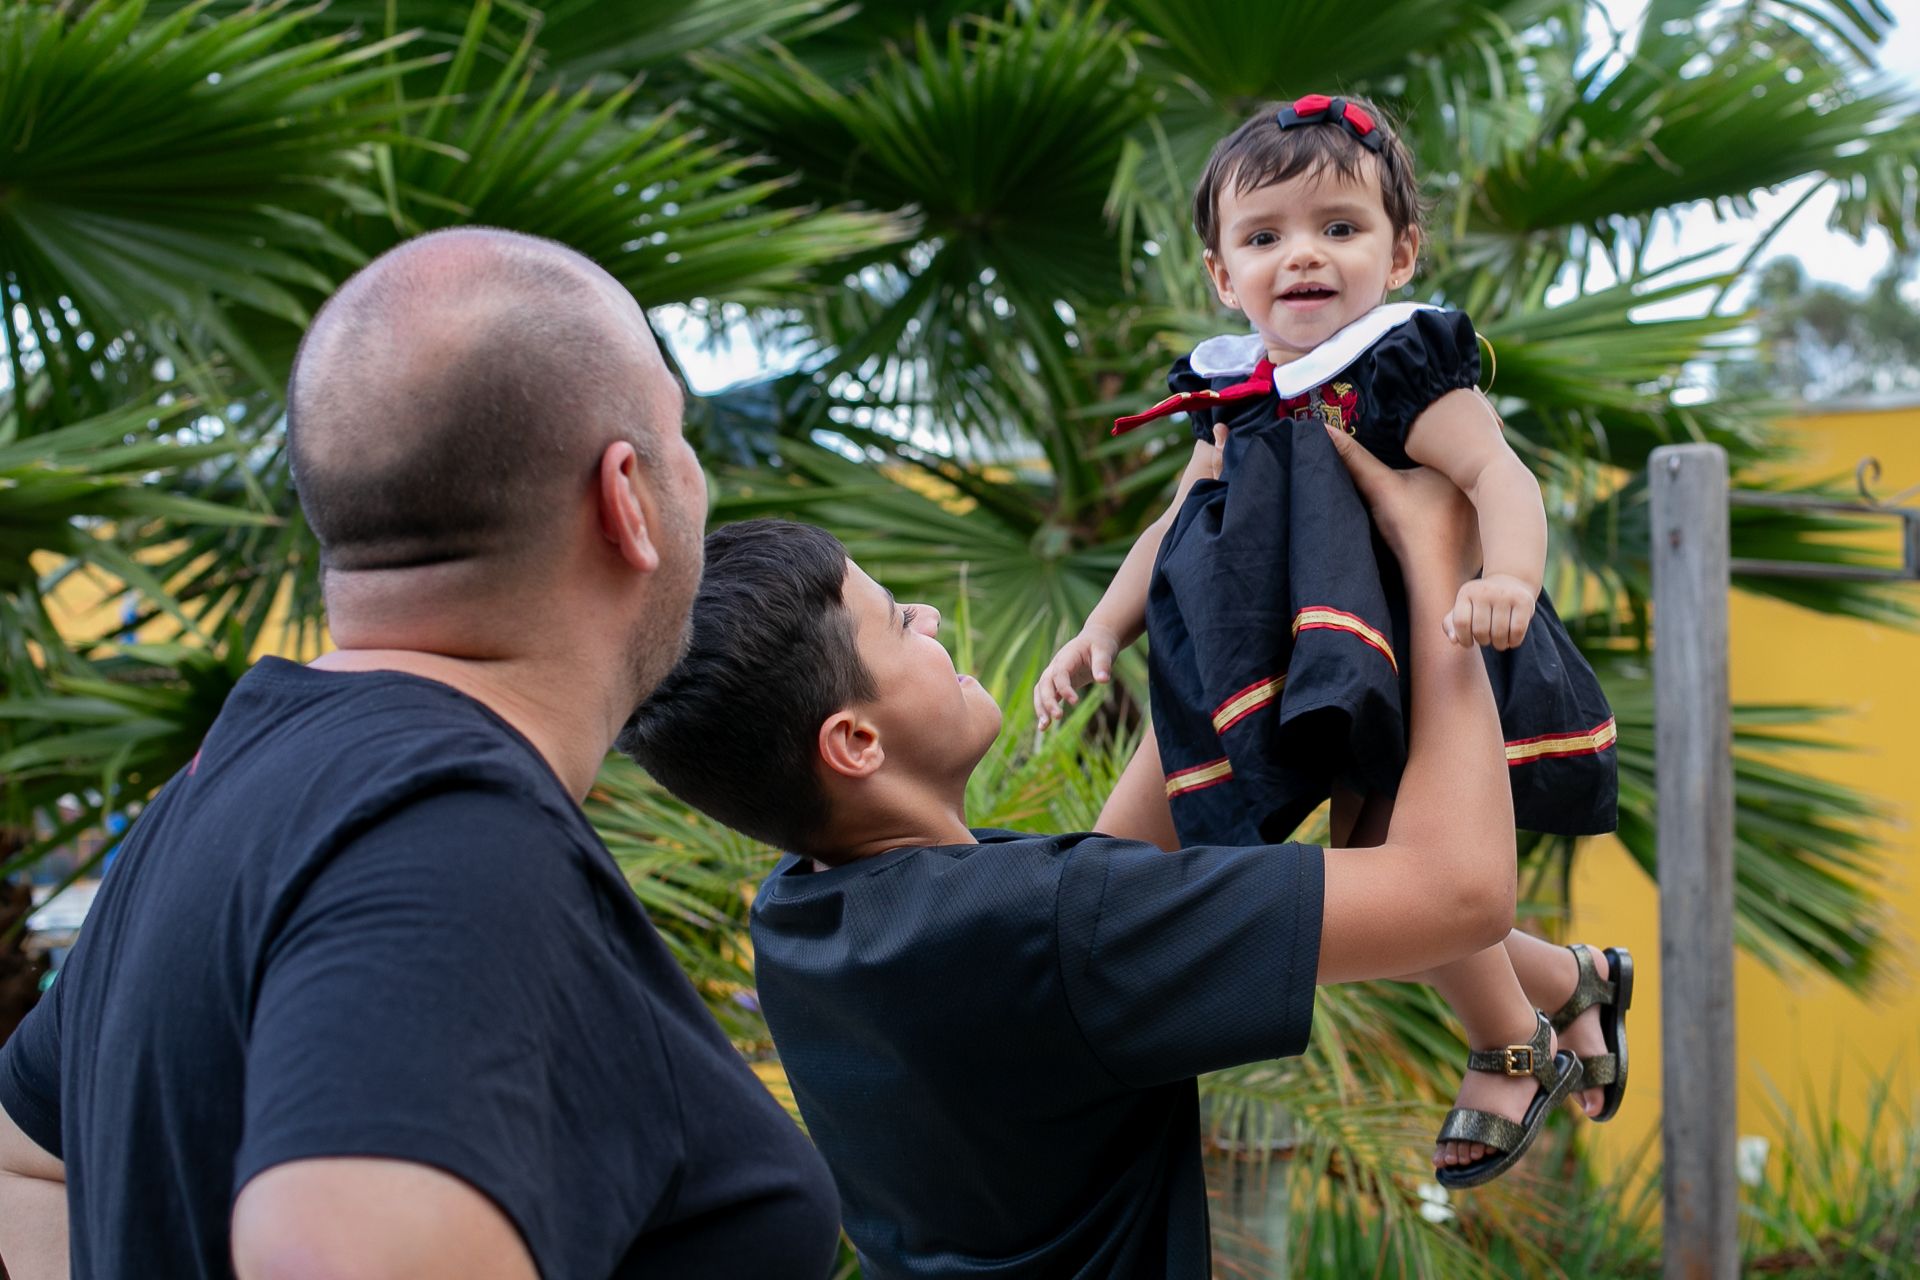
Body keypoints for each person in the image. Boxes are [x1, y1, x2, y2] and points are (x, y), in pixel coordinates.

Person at [0, 229, 841, 1280]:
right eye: (680, 438)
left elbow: (30, 1156)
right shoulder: (448, 834)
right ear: (626, 496)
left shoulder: (232, 780)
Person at [620, 435, 1547, 1278]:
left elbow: (1100, 905)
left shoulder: (803, 915)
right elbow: (1459, 894)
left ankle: (1574, 993)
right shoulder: (1051, 926)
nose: (933, 617)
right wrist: (1435, 575)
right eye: (899, 623)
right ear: (856, 743)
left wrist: (1193, 552)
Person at [1033, 93, 1631, 1184]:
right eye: (1265, 237)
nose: (1301, 257)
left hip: (1404, 651)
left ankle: (1512, 1035)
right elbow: (1173, 525)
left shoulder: (1395, 369)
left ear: (1399, 252)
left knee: (1383, 877)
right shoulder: (1233, 389)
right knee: (1141, 882)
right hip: (1251, 654)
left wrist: (1508, 577)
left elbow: (1499, 475)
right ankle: (1570, 980)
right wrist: (1099, 629)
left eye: (1338, 228)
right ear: (1223, 273)